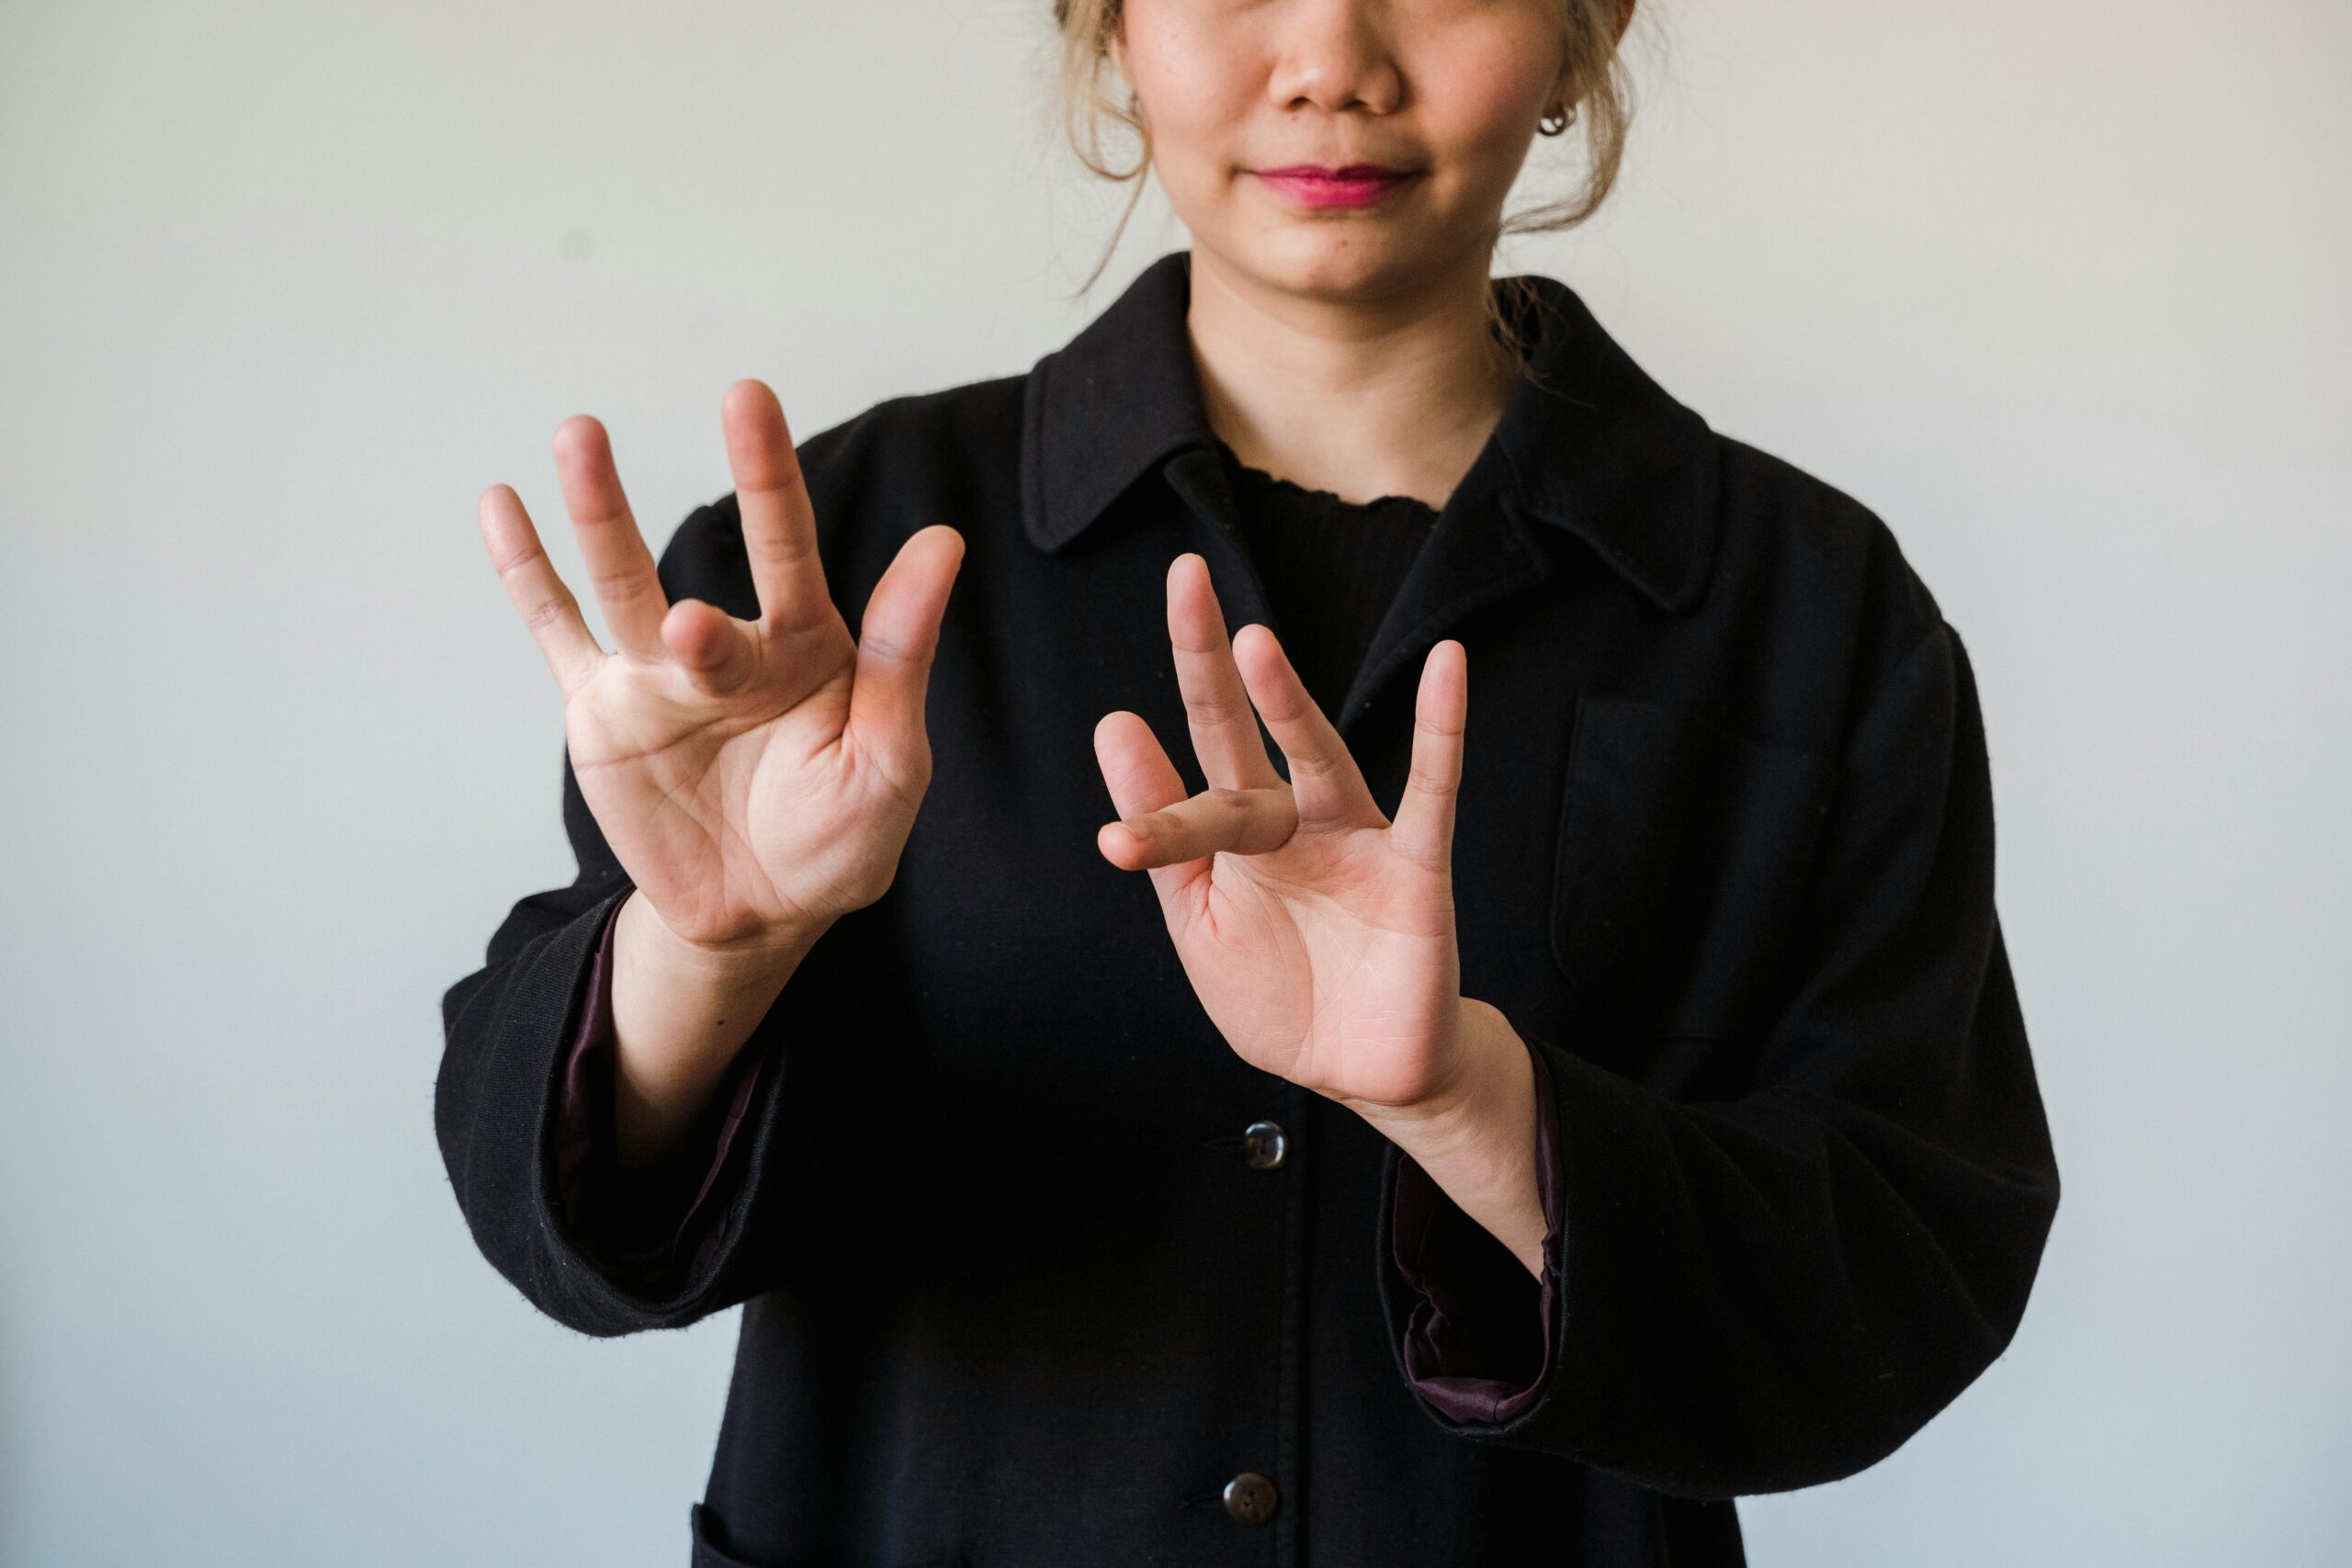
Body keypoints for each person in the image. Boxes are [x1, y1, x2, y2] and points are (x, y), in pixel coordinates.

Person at [436, 0, 2061, 1562]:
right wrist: (705, 954)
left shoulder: (1813, 612)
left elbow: (1909, 1264)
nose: (1332, 63)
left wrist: (1478, 1108)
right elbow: (551, 1210)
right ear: (1109, 29)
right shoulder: (837, 567)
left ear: (1593, 22)